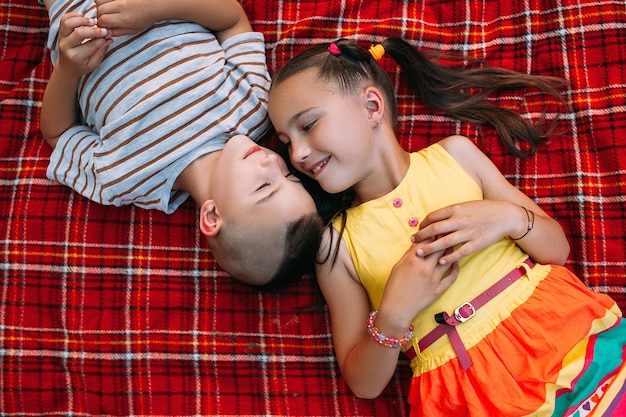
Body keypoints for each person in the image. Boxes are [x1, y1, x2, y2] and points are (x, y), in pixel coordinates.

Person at [268, 37, 626, 415]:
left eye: (307, 125)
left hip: (557, 333)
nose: (298, 153)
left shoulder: (456, 155)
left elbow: (558, 251)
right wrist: (393, 315)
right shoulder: (335, 246)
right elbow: (363, 383)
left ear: (372, 106)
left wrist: (507, 217)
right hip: (467, 391)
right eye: (288, 142)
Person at [39, 0, 323, 288]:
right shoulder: (254, 107)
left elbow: (58, 133)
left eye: (265, 186)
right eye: (289, 176)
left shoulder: (124, 177)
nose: (273, 162)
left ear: (212, 215)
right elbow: (231, 18)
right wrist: (155, 8)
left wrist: (67, 69)